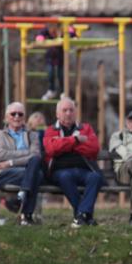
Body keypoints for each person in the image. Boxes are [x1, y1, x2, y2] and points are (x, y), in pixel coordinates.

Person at [43, 97, 102, 227]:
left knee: (96, 177)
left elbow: (94, 148)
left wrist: (63, 144)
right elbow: (52, 149)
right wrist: (75, 140)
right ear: (57, 114)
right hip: (60, 172)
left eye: (71, 110)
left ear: (75, 112)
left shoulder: (86, 128)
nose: (68, 113)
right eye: (64, 110)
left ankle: (81, 215)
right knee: (65, 176)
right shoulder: (50, 130)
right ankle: (86, 215)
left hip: (84, 170)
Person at [0, 102, 44, 226]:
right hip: (4, 173)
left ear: (24, 118)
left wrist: (10, 162)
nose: (16, 117)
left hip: (23, 171)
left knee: (37, 169)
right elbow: (0, 155)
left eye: (20, 114)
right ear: (6, 117)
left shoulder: (33, 135)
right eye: (13, 114)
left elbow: (36, 155)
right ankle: (27, 215)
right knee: (37, 174)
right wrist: (26, 154)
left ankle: (22, 196)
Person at [35, 23, 75, 100]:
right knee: (50, 73)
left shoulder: (64, 30)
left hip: (61, 56)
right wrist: (40, 38)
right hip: (50, 56)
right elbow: (41, 34)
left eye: (55, 32)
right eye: (51, 32)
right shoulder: (46, 29)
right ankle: (51, 89)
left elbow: (72, 33)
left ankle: (64, 91)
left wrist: (70, 35)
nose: (53, 34)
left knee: (61, 74)